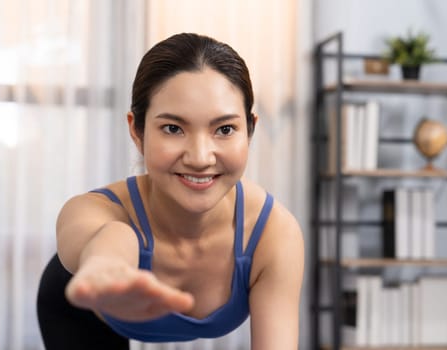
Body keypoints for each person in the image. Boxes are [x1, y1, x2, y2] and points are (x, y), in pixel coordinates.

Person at [37, 32, 304, 349]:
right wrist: (106, 270)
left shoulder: (273, 236)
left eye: (225, 129)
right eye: (173, 128)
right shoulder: (96, 210)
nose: (200, 158)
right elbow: (113, 238)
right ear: (136, 131)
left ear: (250, 130)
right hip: (79, 314)